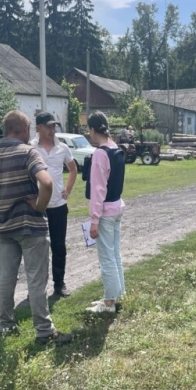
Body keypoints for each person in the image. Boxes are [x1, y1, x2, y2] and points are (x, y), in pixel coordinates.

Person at [0, 110, 72, 345]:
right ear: (24, 130)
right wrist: (40, 207)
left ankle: (6, 325)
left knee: (6, 277)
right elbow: (47, 181)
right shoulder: (28, 153)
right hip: (30, 225)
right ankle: (44, 331)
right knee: (36, 279)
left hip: (3, 225)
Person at [30, 111, 77, 298]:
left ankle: (59, 283)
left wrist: (68, 189)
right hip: (37, 206)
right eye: (48, 126)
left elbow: (73, 170)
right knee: (37, 247)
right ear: (38, 128)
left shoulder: (63, 148)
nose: (52, 130)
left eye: (54, 126)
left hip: (58, 205)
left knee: (58, 245)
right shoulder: (30, 148)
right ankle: (37, 287)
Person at [85, 111, 126, 314]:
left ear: (92, 130)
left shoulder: (100, 153)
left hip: (106, 213)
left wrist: (94, 220)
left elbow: (97, 189)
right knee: (115, 254)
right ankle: (118, 294)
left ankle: (109, 303)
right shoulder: (115, 148)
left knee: (106, 257)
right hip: (117, 206)